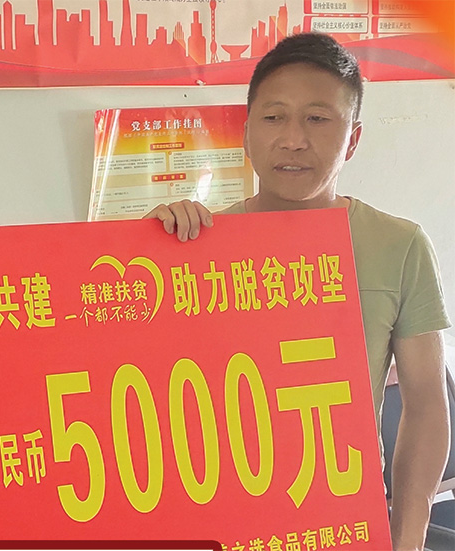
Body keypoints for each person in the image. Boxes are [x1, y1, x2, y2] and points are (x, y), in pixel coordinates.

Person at [145, 33, 451, 551]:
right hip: (220, 523)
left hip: (341, 520)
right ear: (246, 133)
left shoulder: (399, 245)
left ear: (352, 139)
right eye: (273, 117)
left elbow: (424, 405)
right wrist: (142, 253)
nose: (292, 139)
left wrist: (407, 536)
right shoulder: (193, 247)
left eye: (317, 118)